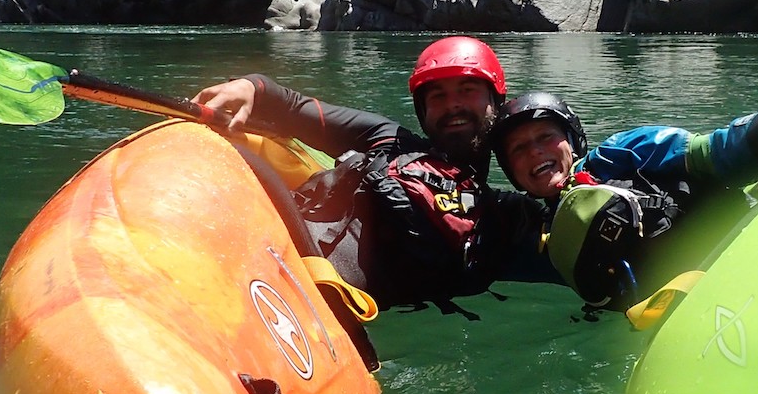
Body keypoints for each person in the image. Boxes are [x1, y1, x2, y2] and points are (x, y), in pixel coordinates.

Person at [193, 36, 553, 310]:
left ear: (495, 98)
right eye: (437, 96)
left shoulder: (506, 217)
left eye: (467, 90)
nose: (453, 104)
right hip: (284, 262)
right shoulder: (389, 140)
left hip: (342, 313)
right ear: (423, 110)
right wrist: (249, 86)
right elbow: (293, 106)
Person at [487, 91, 758, 311]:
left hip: (747, 249)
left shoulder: (617, 154)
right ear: (512, 173)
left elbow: (709, 152)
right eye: (519, 149)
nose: (534, 151)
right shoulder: (543, 235)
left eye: (546, 137)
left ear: (573, 143)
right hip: (692, 306)